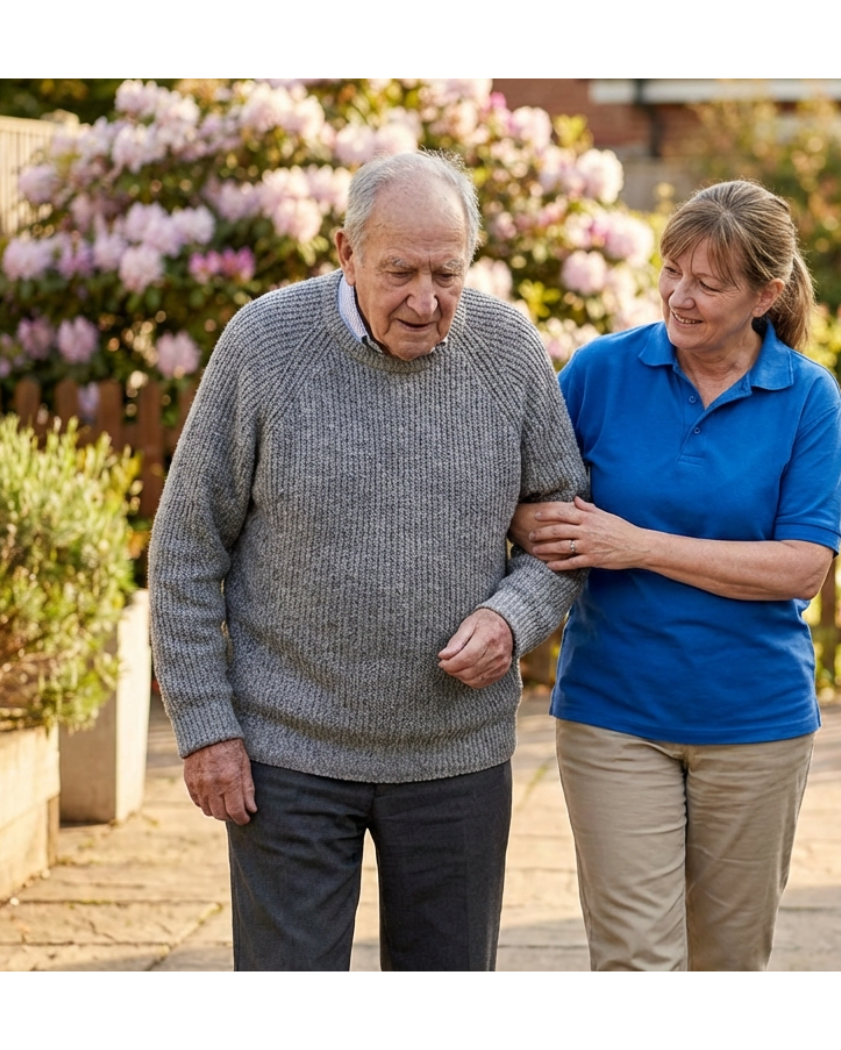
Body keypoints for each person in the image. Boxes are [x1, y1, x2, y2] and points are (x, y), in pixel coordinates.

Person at [148, 150, 588, 971]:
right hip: (288, 758)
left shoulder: (507, 349)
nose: (426, 301)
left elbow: (565, 537)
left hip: (456, 757)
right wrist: (206, 728)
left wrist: (513, 616)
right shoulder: (264, 345)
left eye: (447, 274)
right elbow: (184, 551)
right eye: (400, 272)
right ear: (346, 253)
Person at [513, 179, 841, 970]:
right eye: (671, 271)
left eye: (709, 282)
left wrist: (639, 545)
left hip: (754, 723)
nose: (679, 295)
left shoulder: (806, 399)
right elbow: (522, 496)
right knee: (635, 965)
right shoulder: (600, 372)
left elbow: (803, 567)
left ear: (766, 294)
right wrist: (532, 522)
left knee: (726, 967)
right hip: (613, 716)